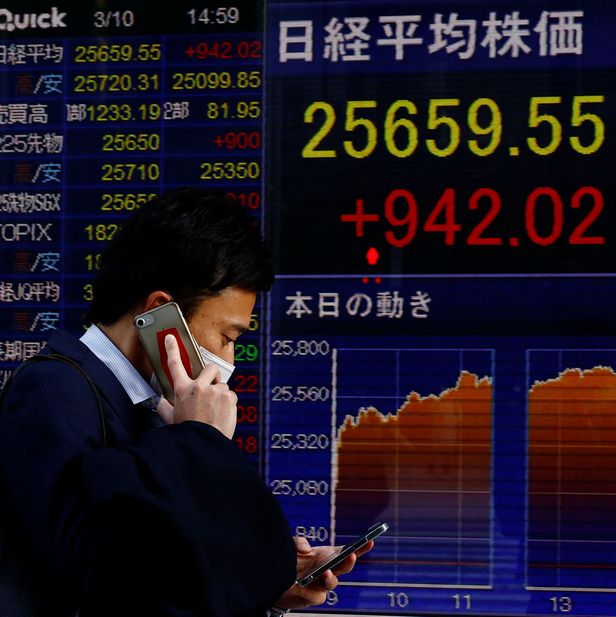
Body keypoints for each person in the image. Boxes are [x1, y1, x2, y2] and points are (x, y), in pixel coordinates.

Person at [0, 188, 369, 616]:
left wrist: (260, 577)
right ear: (162, 316)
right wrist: (199, 440)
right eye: (227, 338)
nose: (229, 361)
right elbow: (98, 572)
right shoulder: (52, 390)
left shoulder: (153, 411)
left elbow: (156, 564)